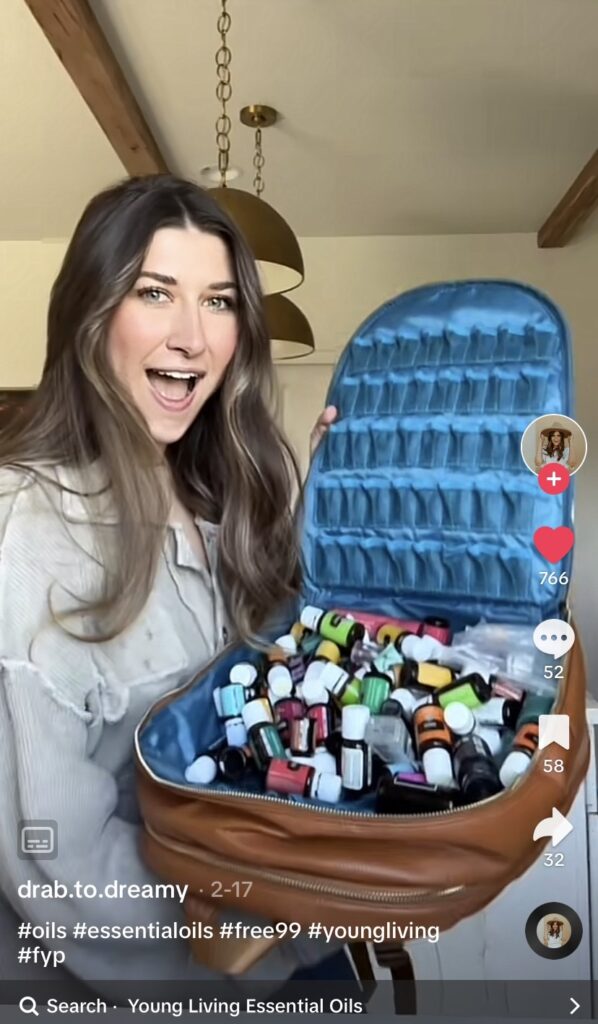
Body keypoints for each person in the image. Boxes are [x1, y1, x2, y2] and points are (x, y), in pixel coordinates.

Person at [0, 175, 343, 995]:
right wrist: (273, 939)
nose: (193, 336)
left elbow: (276, 688)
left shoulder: (211, 506)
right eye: (156, 292)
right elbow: (61, 873)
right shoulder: (26, 525)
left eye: (220, 302)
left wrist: (337, 510)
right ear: (90, 313)